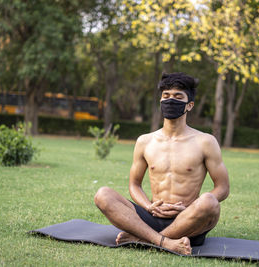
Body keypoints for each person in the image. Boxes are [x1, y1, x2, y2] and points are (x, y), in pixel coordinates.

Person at [94, 72, 230, 255]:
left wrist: (190, 207)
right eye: (166, 96)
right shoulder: (145, 141)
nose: (170, 100)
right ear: (160, 101)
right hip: (151, 216)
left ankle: (145, 239)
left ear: (189, 105)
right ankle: (163, 242)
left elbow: (222, 188)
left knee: (210, 202)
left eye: (177, 97)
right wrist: (149, 206)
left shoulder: (205, 142)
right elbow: (134, 185)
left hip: (189, 219)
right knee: (103, 195)